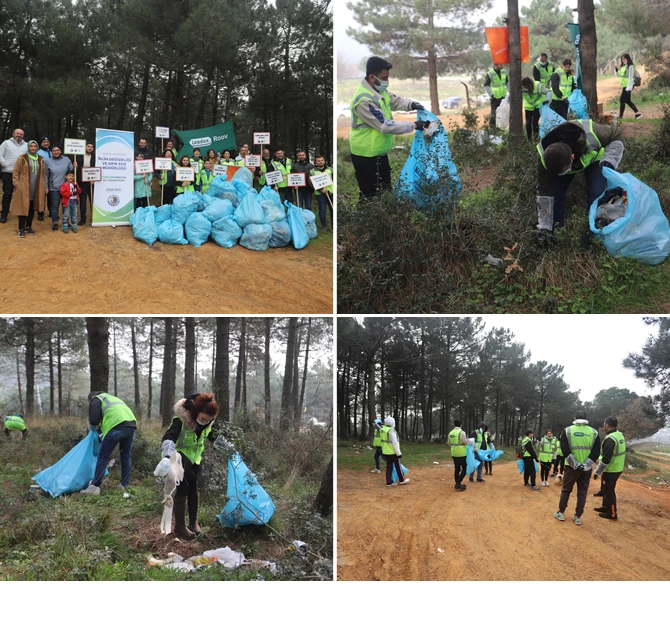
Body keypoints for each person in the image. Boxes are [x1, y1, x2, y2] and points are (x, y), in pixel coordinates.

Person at [535, 119, 624, 246]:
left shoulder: (593, 134)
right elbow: (544, 194)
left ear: (572, 157)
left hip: (594, 160)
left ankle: (591, 237)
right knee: (556, 196)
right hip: (567, 163)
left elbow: (617, 134)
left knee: (595, 197)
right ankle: (556, 235)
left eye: (562, 171)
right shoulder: (545, 157)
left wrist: (610, 158)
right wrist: (544, 227)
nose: (560, 176)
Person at [349, 56, 426, 200]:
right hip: (365, 154)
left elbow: (395, 100)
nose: (387, 82)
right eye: (384, 78)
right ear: (372, 77)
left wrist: (411, 104)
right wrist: (414, 125)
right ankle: (364, 221)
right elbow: (384, 126)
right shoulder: (364, 100)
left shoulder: (379, 91)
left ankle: (385, 220)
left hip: (379, 151)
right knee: (369, 195)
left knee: (385, 190)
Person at [161, 393, 219, 538]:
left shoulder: (207, 424)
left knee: (194, 486)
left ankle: (193, 523)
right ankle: (179, 527)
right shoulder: (180, 420)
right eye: (203, 418)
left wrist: (229, 448)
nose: (205, 422)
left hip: (195, 460)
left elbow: (214, 437)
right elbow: (168, 438)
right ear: (196, 412)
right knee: (184, 486)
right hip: (177, 457)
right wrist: (169, 456)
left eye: (208, 420)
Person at [80, 392, 138, 496]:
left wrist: (91, 431)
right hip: (131, 425)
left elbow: (93, 421)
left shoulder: (96, 399)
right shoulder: (111, 398)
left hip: (116, 426)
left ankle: (95, 487)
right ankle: (125, 485)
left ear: (90, 398)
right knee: (126, 456)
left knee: (103, 456)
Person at [553, 410, 601, 525]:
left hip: (571, 468)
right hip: (586, 470)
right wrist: (586, 465)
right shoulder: (594, 432)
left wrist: (575, 464)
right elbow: (596, 451)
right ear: (586, 419)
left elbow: (565, 449)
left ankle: (561, 513)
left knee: (566, 490)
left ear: (575, 418)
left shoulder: (568, 430)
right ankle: (578, 517)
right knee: (582, 493)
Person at [10, 140, 46, 238]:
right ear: (28, 147)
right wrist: (17, 185)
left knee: (31, 207)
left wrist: (43, 186)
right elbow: (16, 172)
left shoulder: (41, 159)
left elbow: (43, 173)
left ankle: (28, 226)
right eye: (31, 146)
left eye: (35, 146)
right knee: (23, 207)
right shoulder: (22, 158)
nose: (33, 148)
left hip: (36, 188)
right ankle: (21, 228)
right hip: (24, 188)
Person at [593, 416, 626, 521]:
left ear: (607, 425)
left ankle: (612, 513)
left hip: (611, 469)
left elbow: (606, 459)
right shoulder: (619, 436)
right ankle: (605, 507)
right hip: (617, 467)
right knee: (606, 489)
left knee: (609, 491)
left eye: (604, 424)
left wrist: (597, 472)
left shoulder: (610, 439)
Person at [0, 128, 28, 223]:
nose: (19, 135)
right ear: (13, 134)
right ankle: (4, 214)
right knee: (7, 194)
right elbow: (0, 155)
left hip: (22, 175)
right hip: (8, 172)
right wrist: (5, 164)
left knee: (21, 194)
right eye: (17, 133)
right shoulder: (6, 143)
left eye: (21, 134)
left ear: (23, 136)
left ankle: (22, 213)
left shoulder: (27, 145)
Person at [45, 145, 73, 231]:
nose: (56, 152)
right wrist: (46, 187)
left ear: (61, 151)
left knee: (65, 205)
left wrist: (75, 166)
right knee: (54, 205)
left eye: (58, 150)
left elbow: (71, 171)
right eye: (54, 150)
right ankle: (55, 222)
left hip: (65, 187)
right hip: (54, 187)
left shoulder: (66, 160)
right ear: (52, 152)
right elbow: (46, 175)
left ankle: (65, 221)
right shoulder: (48, 161)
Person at [380, 416, 409, 487]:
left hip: (385, 452)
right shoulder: (391, 431)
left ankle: (389, 482)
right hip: (393, 452)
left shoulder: (382, 430)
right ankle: (402, 480)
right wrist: (398, 453)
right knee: (398, 466)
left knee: (389, 467)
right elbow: (394, 443)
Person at [74, 142, 95, 225]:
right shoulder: (78, 156)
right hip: (82, 182)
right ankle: (83, 218)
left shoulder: (95, 157)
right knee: (83, 201)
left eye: (91, 147)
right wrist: (75, 166)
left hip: (92, 182)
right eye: (88, 146)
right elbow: (76, 170)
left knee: (93, 200)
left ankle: (94, 217)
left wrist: (94, 179)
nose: (90, 148)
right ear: (85, 147)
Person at [617, 54, 642, 120]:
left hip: (628, 86)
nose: (623, 60)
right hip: (624, 86)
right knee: (627, 100)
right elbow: (620, 75)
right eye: (622, 59)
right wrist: (616, 71)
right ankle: (637, 113)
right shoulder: (623, 66)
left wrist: (629, 88)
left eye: (624, 59)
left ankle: (620, 115)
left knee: (622, 100)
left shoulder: (631, 66)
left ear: (628, 58)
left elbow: (631, 78)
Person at [312, 155, 333, 232]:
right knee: (322, 210)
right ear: (316, 162)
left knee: (332, 210)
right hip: (320, 194)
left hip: (331, 192)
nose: (320, 162)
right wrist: (321, 190)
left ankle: (333, 226)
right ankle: (324, 226)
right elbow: (311, 183)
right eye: (318, 161)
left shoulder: (330, 169)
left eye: (322, 160)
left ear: (324, 161)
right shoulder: (312, 171)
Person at [484, 63, 508, 128]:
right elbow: (486, 85)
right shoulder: (490, 73)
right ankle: (492, 127)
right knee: (494, 112)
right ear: (496, 65)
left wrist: (510, 91)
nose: (502, 65)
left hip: (503, 96)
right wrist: (491, 94)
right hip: (494, 97)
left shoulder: (504, 72)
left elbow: (507, 82)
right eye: (501, 64)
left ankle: (500, 127)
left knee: (502, 112)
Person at [448, 419, 469, 491]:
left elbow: (449, 443)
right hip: (461, 453)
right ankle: (458, 483)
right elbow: (465, 442)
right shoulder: (461, 432)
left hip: (454, 452)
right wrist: (469, 442)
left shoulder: (451, 433)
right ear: (461, 425)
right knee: (464, 469)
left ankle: (458, 483)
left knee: (457, 469)